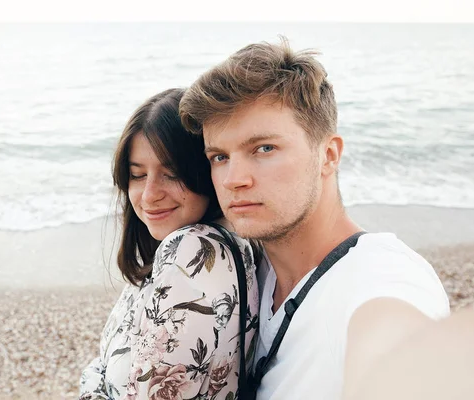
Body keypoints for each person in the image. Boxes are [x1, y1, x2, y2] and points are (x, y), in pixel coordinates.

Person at [179, 39, 450, 400]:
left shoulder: (383, 279)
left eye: (264, 149)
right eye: (220, 156)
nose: (233, 180)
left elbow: (397, 347)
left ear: (328, 155)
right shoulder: (245, 269)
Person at [79, 88, 259, 400]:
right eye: (137, 175)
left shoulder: (192, 252)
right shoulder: (226, 245)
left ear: (202, 173)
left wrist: (91, 382)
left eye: (171, 173)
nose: (149, 195)